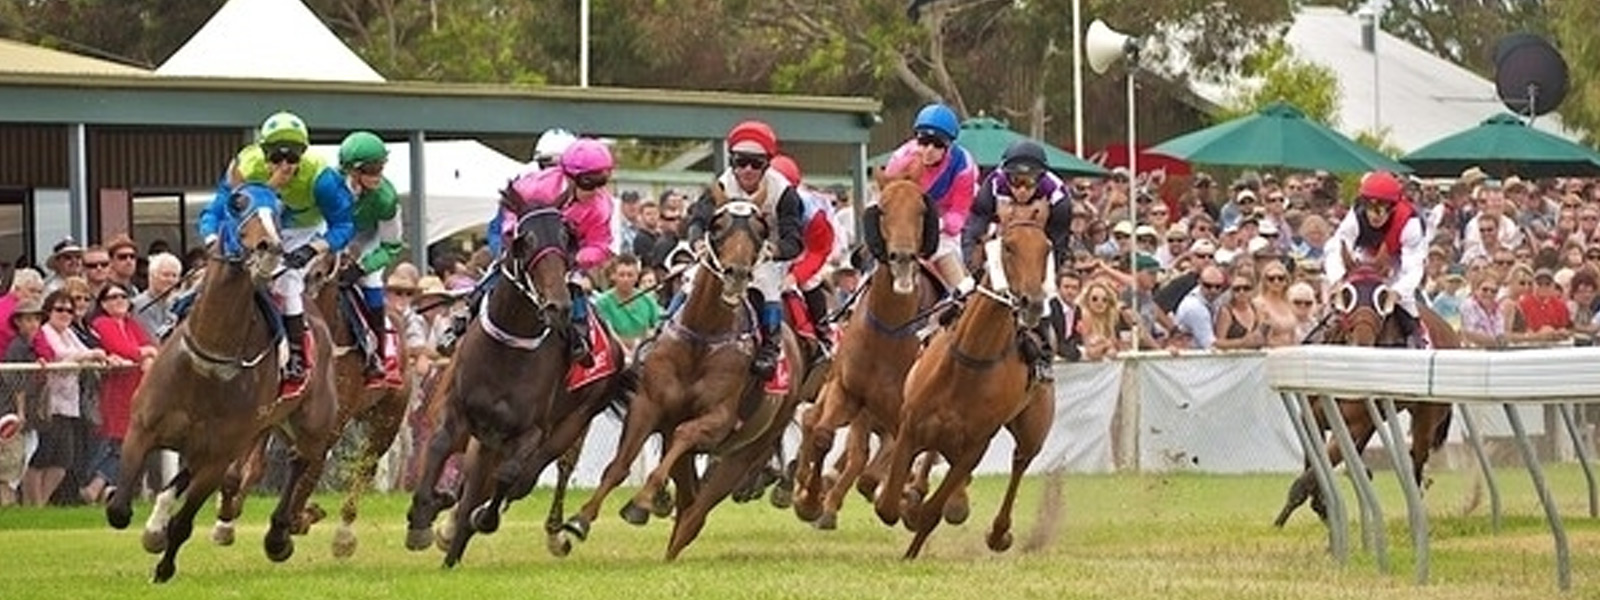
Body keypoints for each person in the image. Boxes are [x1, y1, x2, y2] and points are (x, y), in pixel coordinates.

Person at [199, 111, 355, 397]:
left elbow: (344, 225)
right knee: (219, 274)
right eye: (276, 156)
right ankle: (178, 322)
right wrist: (210, 238)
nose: (284, 165)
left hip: (301, 231)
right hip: (258, 225)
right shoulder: (245, 165)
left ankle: (297, 356)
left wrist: (312, 249)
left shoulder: (323, 178)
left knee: (286, 280)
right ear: (263, 151)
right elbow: (217, 209)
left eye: (293, 157)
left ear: (304, 154)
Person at [476, 138, 616, 367]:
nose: (596, 191)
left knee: (575, 289)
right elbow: (510, 205)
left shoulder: (601, 207)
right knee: (498, 270)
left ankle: (579, 339)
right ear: (569, 176)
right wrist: (512, 231)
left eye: (603, 182)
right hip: (527, 248)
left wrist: (574, 260)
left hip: (566, 260)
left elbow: (601, 245)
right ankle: (463, 316)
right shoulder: (537, 185)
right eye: (590, 183)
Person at [681, 120, 804, 379]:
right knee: (690, 280)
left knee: (768, 286)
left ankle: (770, 347)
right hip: (721, 257)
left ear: (767, 164)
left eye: (755, 163)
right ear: (732, 162)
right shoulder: (720, 187)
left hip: (761, 258)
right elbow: (697, 221)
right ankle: (663, 329)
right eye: (740, 162)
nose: (747, 170)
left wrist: (774, 251)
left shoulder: (784, 194)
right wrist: (697, 243)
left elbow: (795, 240)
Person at [961, 140, 1070, 380]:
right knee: (965, 286)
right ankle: (943, 323)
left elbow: (1059, 244)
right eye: (1014, 182)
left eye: (1029, 182)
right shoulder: (992, 186)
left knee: (1047, 292)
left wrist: (1043, 277)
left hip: (1040, 246)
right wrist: (973, 266)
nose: (1021, 189)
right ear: (1005, 176)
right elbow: (972, 229)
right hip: (1003, 240)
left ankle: (1045, 354)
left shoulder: (1058, 197)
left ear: (1041, 178)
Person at [875, 102, 978, 305]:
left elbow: (958, 215)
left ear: (948, 145)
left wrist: (937, 223)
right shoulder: (900, 159)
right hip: (903, 227)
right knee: (871, 266)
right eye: (923, 141)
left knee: (964, 290)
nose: (928, 150)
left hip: (941, 233)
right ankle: (848, 313)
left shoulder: (964, 167)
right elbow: (888, 201)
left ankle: (963, 309)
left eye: (937, 144)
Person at [1322, 171, 1429, 348]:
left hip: (1398, 262)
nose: (1374, 216)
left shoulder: (1410, 223)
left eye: (1382, 209)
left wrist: (1397, 291)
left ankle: (1417, 340)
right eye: (1370, 208)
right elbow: (1336, 247)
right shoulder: (1355, 215)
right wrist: (1337, 279)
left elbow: (1413, 268)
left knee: (1406, 304)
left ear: (1392, 207)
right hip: (1365, 257)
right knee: (1337, 303)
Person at [334, 131, 407, 388]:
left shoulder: (386, 198)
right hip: (331, 237)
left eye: (380, 167)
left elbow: (392, 245)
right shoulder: (329, 186)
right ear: (351, 171)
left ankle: (380, 356)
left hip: (367, 241)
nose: (377, 175)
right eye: (370, 169)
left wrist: (361, 266)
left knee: (371, 287)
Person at [767, 154, 838, 350]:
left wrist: (795, 276)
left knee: (808, 282)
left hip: (809, 249)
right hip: (771, 250)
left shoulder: (813, 213)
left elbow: (819, 251)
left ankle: (823, 331)